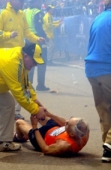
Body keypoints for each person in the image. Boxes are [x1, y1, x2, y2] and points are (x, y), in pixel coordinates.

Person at [0, 0, 45, 120]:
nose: (22, 2)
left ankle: (16, 111)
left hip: (19, 56)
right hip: (4, 57)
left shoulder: (22, 14)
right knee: (1, 83)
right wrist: (8, 35)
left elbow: (27, 32)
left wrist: (37, 39)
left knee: (21, 84)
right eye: (19, 1)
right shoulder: (2, 13)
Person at [85, 0, 111, 163]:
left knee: (105, 111)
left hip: (91, 69)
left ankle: (107, 149)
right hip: (107, 67)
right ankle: (109, 143)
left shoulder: (98, 18)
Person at [13, 110, 89, 156]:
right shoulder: (84, 131)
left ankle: (19, 137)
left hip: (42, 137)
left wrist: (35, 126)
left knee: (19, 122)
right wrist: (49, 114)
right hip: (56, 128)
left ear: (72, 134)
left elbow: (45, 149)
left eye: (67, 123)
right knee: (38, 112)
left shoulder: (65, 146)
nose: (66, 121)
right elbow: (64, 124)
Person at [24, 0, 50, 91]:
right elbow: (38, 27)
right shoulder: (37, 12)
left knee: (29, 62)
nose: (40, 4)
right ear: (35, 3)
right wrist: (45, 37)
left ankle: (29, 85)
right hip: (38, 39)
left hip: (28, 40)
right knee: (42, 62)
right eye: (39, 2)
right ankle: (41, 85)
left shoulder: (25, 11)